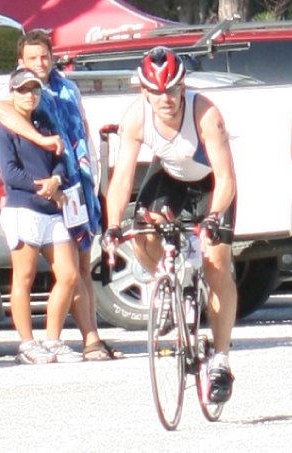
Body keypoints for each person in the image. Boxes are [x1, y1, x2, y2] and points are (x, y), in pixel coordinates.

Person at [103, 46, 238, 402]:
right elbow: (121, 182)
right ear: (144, 91)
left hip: (211, 185)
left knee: (217, 264)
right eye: (157, 92)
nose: (166, 98)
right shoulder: (135, 117)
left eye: (173, 89)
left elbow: (227, 179)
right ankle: (167, 281)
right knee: (142, 230)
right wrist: (113, 226)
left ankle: (221, 359)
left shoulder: (206, 114)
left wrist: (212, 219)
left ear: (183, 86)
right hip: (172, 177)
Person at [0, 30, 122, 360]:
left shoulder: (67, 87)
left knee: (80, 266)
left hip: (76, 182)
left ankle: (90, 337)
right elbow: (0, 111)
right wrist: (44, 143)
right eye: (32, 58)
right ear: (20, 61)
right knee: (46, 272)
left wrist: (83, 175)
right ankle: (51, 341)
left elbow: (80, 129)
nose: (39, 63)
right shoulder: (20, 93)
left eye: (44, 56)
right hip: (39, 197)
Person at [0, 68, 84, 364]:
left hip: (52, 207)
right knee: (25, 277)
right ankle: (27, 344)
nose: (29, 95)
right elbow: (10, 173)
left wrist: (55, 180)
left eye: (34, 90)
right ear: (12, 93)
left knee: (69, 275)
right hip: (22, 207)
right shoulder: (2, 131)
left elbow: (59, 159)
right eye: (22, 90)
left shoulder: (44, 124)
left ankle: (53, 339)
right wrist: (39, 187)